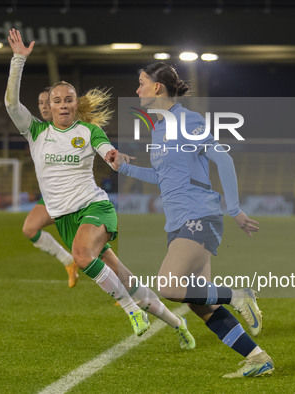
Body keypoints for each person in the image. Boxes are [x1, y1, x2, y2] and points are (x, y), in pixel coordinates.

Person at [5, 29, 195, 344]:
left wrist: (112, 156)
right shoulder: (36, 132)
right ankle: (178, 325)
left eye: (69, 100)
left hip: (95, 209)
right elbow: (12, 104)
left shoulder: (87, 130)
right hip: (65, 219)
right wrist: (18, 61)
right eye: (57, 101)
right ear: (49, 107)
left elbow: (104, 147)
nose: (63, 105)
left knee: (81, 254)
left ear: (76, 105)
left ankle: (131, 309)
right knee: (125, 278)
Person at [106, 62, 274, 377]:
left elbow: (223, 157)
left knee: (168, 285)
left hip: (200, 214)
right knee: (202, 304)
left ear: (158, 87)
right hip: (179, 221)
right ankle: (257, 358)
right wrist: (123, 168)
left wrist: (234, 208)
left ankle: (238, 294)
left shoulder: (187, 120)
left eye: (141, 82)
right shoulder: (158, 128)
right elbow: (162, 176)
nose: (137, 89)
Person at [21, 87, 79, 288]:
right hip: (51, 198)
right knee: (30, 228)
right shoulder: (38, 130)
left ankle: (129, 290)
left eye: (48, 101)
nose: (44, 106)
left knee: (92, 250)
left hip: (74, 198)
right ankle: (68, 261)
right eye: (40, 103)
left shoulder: (71, 128)